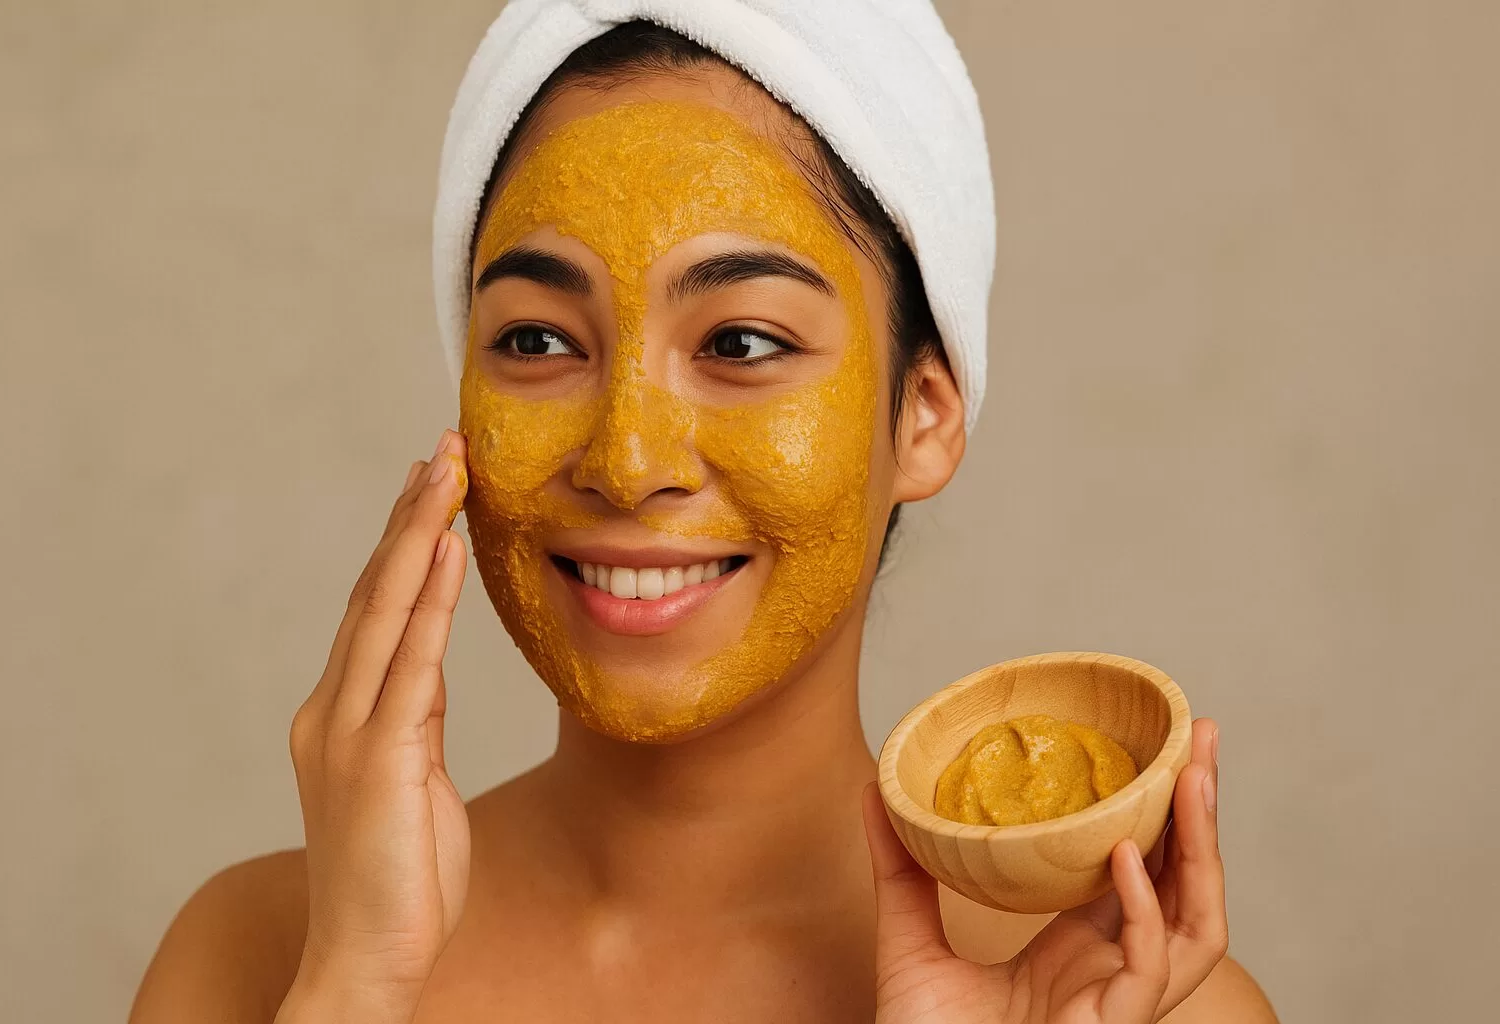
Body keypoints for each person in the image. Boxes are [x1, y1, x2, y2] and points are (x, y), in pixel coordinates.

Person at [131, 9, 1276, 1023]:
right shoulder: (259, 954)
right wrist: (353, 990)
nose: (626, 464)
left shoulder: (1133, 1002)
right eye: (537, 339)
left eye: (741, 342)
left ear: (924, 414)